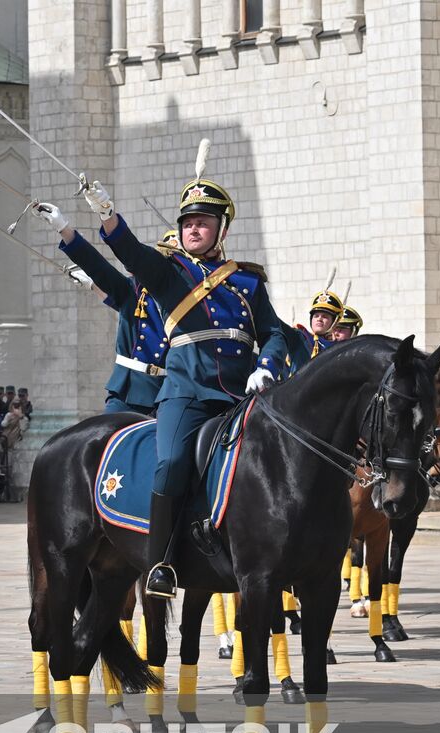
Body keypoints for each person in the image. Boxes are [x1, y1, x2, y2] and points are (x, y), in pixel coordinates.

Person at [80, 142, 289, 599]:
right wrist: (108, 217)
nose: (193, 228)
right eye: (188, 222)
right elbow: (132, 254)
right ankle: (160, 563)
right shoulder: (171, 273)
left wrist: (267, 368)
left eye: (202, 222)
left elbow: (273, 332)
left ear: (222, 228)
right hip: (186, 394)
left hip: (239, 398)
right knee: (172, 462)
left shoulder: (247, 281)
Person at [35, 203, 171, 415]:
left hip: (170, 395)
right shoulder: (134, 292)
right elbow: (98, 267)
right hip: (129, 389)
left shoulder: (187, 301)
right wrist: (64, 228)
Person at [286, 282, 344, 373]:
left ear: (334, 322)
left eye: (325, 316)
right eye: (316, 316)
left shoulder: (341, 348)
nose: (319, 319)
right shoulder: (302, 337)